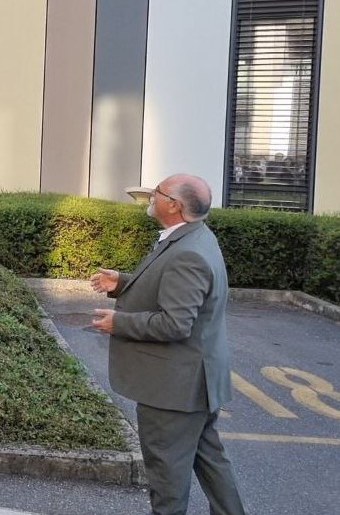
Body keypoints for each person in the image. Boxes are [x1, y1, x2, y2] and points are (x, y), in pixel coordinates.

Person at [90, 174, 246, 515]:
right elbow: (173, 292)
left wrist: (120, 322)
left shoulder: (187, 253)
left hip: (174, 390)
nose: (151, 195)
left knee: (167, 478)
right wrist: (122, 283)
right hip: (194, 383)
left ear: (174, 205)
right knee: (211, 462)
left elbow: (175, 323)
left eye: (157, 192)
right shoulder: (194, 237)